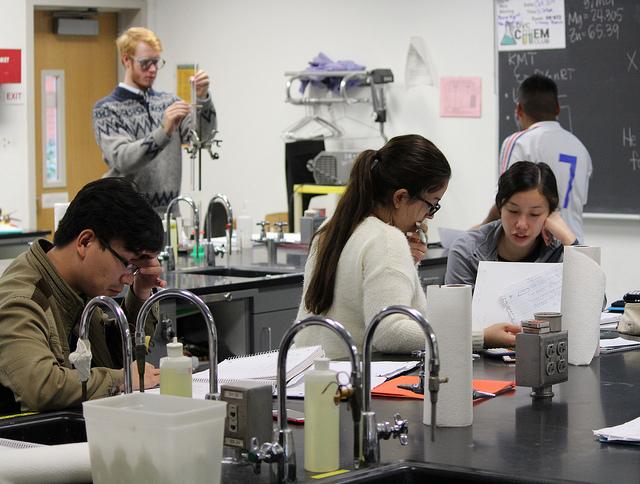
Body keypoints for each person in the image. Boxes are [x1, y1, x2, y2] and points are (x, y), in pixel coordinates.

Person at [0, 178, 165, 413]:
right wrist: (124, 379)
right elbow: (41, 387)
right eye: (128, 264)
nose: (128, 279)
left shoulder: (76, 287)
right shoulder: (23, 300)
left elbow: (114, 356)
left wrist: (140, 292)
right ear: (85, 241)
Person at [293, 134, 449, 358]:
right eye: (431, 205)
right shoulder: (386, 239)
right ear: (400, 198)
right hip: (351, 380)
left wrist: (407, 263)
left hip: (311, 376)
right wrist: (471, 336)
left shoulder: (332, 227)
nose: (429, 217)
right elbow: (389, 332)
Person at [446, 161, 578, 349]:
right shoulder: (467, 250)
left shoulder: (559, 251)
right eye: (513, 211)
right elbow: (452, 325)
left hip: (548, 355)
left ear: (550, 214)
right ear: (500, 207)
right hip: (478, 361)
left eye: (535, 214)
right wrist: (484, 338)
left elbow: (593, 306)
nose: (522, 224)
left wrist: (569, 240)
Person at [92, 27, 217, 213]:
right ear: (126, 60)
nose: (152, 70)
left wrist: (203, 98)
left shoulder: (169, 103)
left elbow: (203, 138)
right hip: (127, 216)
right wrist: (163, 132)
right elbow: (123, 160)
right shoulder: (107, 109)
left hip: (169, 213)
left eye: (156, 63)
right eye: (145, 63)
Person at [484, 74, 592, 242]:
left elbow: (505, 200)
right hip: (573, 244)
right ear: (557, 108)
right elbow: (578, 202)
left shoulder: (519, 142)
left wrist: (479, 232)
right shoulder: (580, 148)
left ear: (519, 110)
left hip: (539, 248)